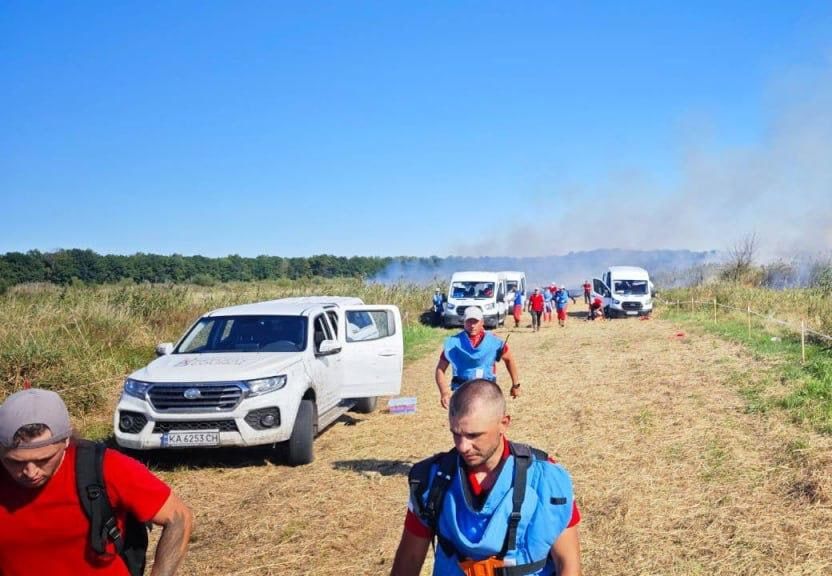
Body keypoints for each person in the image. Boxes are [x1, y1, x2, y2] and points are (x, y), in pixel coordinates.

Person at [390, 379, 581, 576]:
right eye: (456, 434)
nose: (462, 446)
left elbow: (567, 562)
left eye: (474, 435)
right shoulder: (431, 481)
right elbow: (410, 559)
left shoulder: (546, 479)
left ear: (503, 424)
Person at [0, 388, 193, 576]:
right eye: (15, 462)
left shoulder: (105, 467)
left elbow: (178, 519)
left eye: (43, 460)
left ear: (66, 441)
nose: (30, 472)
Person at [435, 306, 520, 409]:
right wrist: (444, 392)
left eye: (475, 321)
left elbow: (509, 359)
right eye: (469, 321)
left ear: (482, 322)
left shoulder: (494, 342)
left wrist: (515, 385)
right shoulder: (454, 343)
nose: (472, 325)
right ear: (464, 322)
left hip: (487, 392)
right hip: (463, 392)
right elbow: (440, 369)